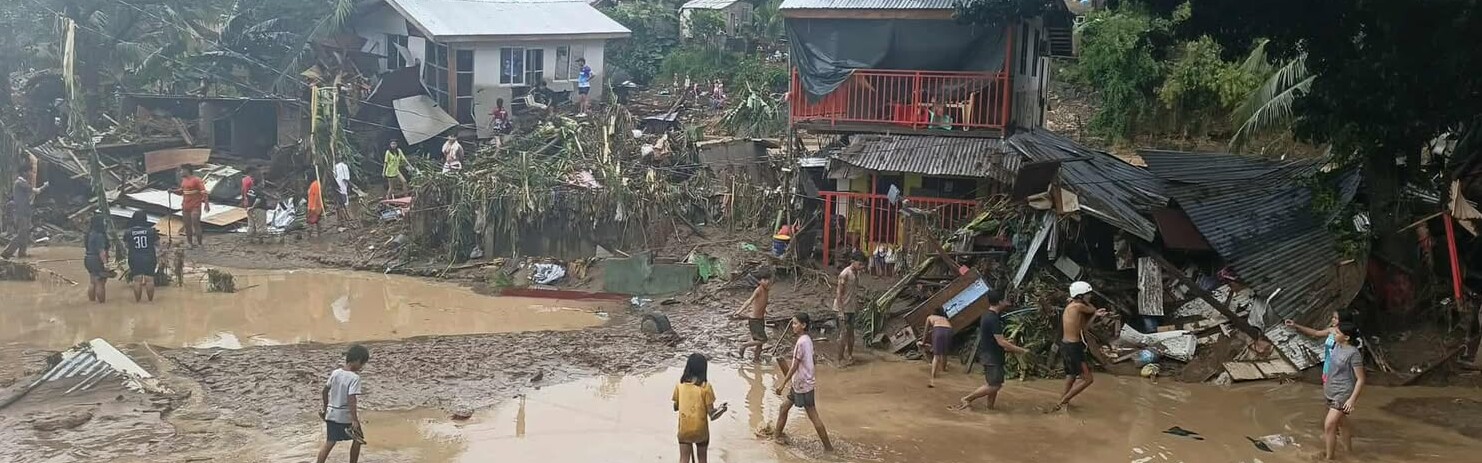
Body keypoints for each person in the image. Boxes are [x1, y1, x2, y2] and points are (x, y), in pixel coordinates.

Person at [767, 312, 833, 452]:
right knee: (784, 408)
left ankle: (828, 447)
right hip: (802, 383)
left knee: (813, 416)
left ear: (803, 325)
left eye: (796, 323)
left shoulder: (801, 343)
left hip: (802, 385)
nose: (793, 326)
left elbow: (794, 366)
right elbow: (813, 360)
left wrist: (782, 383)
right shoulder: (808, 339)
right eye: (793, 323)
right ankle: (777, 436)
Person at [954, 290, 1028, 410]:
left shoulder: (988, 315)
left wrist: (1007, 343)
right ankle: (967, 399)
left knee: (993, 384)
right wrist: (1021, 350)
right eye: (1005, 300)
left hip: (990, 354)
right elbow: (1001, 342)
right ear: (999, 302)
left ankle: (990, 408)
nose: (1007, 302)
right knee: (995, 386)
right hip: (992, 356)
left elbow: (996, 339)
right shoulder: (992, 319)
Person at [1050, 281, 1110, 412]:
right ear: (1080, 296)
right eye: (1087, 295)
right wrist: (1094, 311)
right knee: (1088, 379)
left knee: (1071, 376)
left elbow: (1084, 328)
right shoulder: (1077, 307)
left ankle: (1063, 403)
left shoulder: (1073, 307)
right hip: (1072, 347)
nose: (1090, 297)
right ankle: (1062, 402)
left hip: (1067, 346)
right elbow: (1092, 308)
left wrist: (1094, 316)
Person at [316, 344, 370, 463]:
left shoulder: (336, 373)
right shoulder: (354, 378)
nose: (361, 367)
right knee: (358, 439)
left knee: (330, 442)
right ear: (357, 360)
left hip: (331, 414)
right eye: (362, 363)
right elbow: (351, 399)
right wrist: (354, 419)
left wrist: (325, 409)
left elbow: (324, 391)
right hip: (344, 416)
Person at [672, 353, 728, 463]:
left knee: (684, 459)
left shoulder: (680, 385)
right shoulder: (706, 387)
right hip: (700, 430)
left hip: (684, 429)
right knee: (702, 459)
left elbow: (676, 407)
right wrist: (722, 409)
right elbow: (712, 415)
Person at [1323, 321, 1366, 461]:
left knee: (1329, 424)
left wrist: (1351, 400)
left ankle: (1329, 458)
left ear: (1346, 337)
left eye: (1337, 333)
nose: (1334, 334)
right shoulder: (1336, 346)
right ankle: (1349, 451)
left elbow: (1360, 379)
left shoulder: (1353, 354)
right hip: (1331, 389)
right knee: (1341, 422)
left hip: (1343, 393)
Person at [1286, 311, 1348, 383]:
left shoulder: (1345, 335)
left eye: (1336, 318)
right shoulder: (1331, 330)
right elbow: (1316, 333)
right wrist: (1295, 325)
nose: (1332, 319)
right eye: (1333, 317)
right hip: (1328, 365)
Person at [2, 167, 45, 259]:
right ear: (24, 172)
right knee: (22, 234)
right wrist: (45, 186)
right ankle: (7, 252)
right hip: (21, 212)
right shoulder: (21, 183)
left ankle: (22, 253)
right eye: (29, 171)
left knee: (25, 233)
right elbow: (36, 191)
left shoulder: (21, 183)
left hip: (24, 211)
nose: (30, 173)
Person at [731, 271, 773, 362]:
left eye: (768, 279)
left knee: (759, 343)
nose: (767, 281)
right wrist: (739, 311)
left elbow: (762, 302)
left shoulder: (766, 290)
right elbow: (749, 301)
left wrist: (765, 310)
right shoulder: (758, 290)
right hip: (754, 320)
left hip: (761, 319)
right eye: (765, 280)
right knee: (763, 340)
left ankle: (756, 360)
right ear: (759, 281)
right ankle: (744, 345)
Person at [834, 255, 864, 365]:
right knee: (843, 335)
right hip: (843, 308)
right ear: (853, 261)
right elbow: (839, 293)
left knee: (851, 334)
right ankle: (839, 360)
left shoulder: (857, 273)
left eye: (862, 264)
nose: (861, 267)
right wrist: (841, 311)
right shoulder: (845, 274)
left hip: (851, 308)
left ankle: (850, 356)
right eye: (859, 264)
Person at [176, 166, 208, 248]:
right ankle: (190, 243)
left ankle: (200, 243)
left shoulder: (197, 180)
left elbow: (204, 192)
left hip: (195, 206)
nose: (180, 172)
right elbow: (181, 191)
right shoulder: (184, 180)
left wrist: (206, 204)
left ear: (187, 170)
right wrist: (173, 191)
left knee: (196, 223)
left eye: (182, 170)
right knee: (187, 225)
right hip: (185, 206)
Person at [921, 306, 953, 388]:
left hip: (938, 330)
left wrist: (923, 342)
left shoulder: (930, 317)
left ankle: (933, 376)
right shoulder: (944, 318)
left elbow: (926, 331)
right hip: (949, 330)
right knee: (944, 353)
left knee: (936, 355)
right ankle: (943, 369)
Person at [83, 215, 110, 303]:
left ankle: (92, 302)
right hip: (97, 259)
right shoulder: (99, 235)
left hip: (88, 259)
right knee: (100, 282)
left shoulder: (89, 234)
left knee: (92, 281)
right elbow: (101, 251)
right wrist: (106, 264)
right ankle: (102, 305)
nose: (105, 223)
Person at [243, 167, 267, 243]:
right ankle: (261, 240)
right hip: (258, 209)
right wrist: (254, 206)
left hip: (250, 210)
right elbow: (258, 200)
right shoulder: (260, 191)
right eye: (263, 181)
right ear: (260, 182)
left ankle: (250, 239)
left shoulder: (251, 190)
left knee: (251, 225)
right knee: (260, 225)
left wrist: (249, 207)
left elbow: (248, 198)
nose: (264, 183)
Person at [306, 172, 324, 237]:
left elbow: (314, 196)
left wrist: (311, 208)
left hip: (314, 207)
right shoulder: (317, 183)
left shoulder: (314, 185)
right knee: (317, 221)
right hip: (318, 206)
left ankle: (309, 236)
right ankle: (320, 234)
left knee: (311, 222)